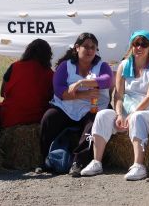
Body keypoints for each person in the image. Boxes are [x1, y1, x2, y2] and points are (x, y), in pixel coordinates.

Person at [80, 30, 149, 181]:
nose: (139, 47)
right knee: (102, 114)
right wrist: (120, 114)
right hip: (128, 111)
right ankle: (96, 161)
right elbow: (118, 95)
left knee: (137, 117)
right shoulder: (124, 65)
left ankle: (138, 165)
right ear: (131, 46)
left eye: (144, 44)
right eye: (136, 43)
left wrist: (132, 114)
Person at [40, 33, 113, 176]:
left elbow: (107, 80)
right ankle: (45, 161)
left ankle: (78, 162)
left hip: (94, 107)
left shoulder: (102, 66)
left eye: (93, 47)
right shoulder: (65, 66)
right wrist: (84, 94)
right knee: (49, 118)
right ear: (77, 48)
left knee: (93, 124)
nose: (90, 50)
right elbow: (60, 91)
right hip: (68, 106)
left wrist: (81, 82)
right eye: (86, 46)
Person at [0, 39, 53, 128]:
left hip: (9, 119)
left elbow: (2, 93)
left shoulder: (15, 66)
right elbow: (52, 98)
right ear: (48, 55)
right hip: (37, 119)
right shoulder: (50, 74)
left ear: (28, 51)